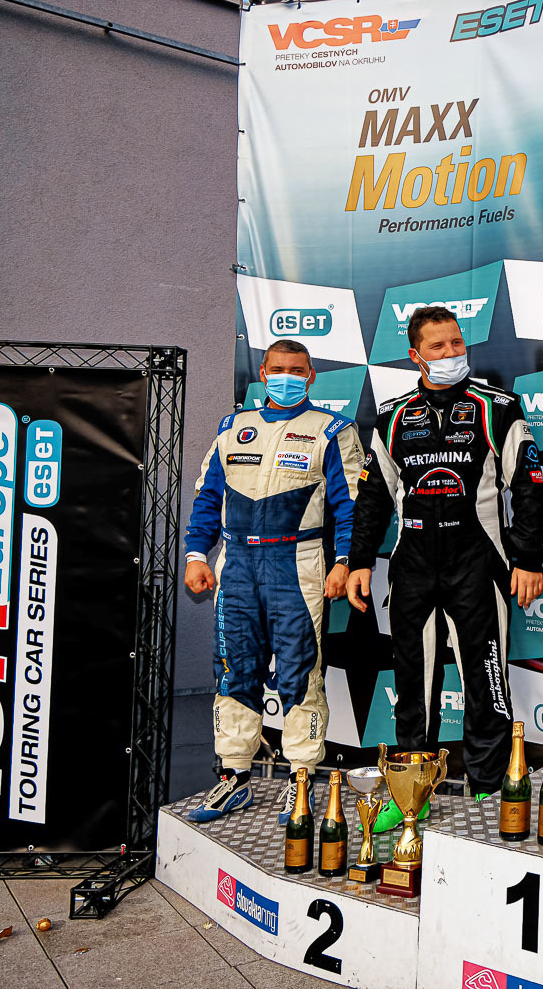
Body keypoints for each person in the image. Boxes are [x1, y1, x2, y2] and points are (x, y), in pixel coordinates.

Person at [345, 306, 543, 827]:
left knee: (486, 682)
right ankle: (411, 790)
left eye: (457, 343)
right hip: (412, 566)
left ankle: (489, 788)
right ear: (416, 356)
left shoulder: (497, 407)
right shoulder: (391, 417)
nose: (452, 352)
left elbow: (528, 487)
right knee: (413, 684)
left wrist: (527, 558)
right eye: (438, 346)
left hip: (478, 563)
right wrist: (360, 561)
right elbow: (373, 497)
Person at [183, 339, 365, 824]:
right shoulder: (232, 428)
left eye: (297, 370)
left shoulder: (333, 429)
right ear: (263, 373)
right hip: (237, 563)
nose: (287, 377)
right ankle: (234, 777)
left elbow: (350, 506)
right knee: (233, 669)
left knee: (299, 672)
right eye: (278, 369)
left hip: (297, 561)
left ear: (311, 375)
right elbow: (207, 497)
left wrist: (343, 561)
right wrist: (197, 554)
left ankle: (301, 780)